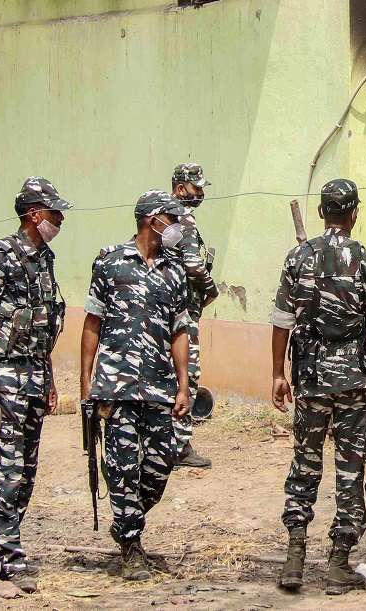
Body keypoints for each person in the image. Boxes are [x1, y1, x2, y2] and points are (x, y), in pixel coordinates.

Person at [270, 179, 366, 595]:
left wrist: (277, 374)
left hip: (311, 381)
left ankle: (295, 557)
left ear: (322, 212)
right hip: (355, 384)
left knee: (305, 463)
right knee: (349, 468)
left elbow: (281, 321)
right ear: (355, 213)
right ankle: (339, 562)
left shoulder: (299, 257)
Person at [80, 191, 192, 581]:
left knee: (160, 465)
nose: (177, 226)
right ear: (152, 219)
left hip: (159, 386)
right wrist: (87, 383)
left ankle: (127, 522)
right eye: (172, 218)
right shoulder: (111, 262)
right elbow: (92, 323)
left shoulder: (174, 271)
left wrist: (184, 385)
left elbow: (180, 330)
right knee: (123, 468)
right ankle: (130, 545)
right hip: (117, 387)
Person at [0, 177, 71, 594]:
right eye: (55, 212)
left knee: (26, 468)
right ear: (34, 214)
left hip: (33, 375)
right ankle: (7, 554)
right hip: (6, 376)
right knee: (6, 467)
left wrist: (48, 379)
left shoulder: (45, 258)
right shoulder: (1, 255)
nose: (60, 219)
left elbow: (44, 325)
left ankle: (0, 545)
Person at [170, 163, 218, 470]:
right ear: (180, 189)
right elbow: (192, 265)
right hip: (184, 310)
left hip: (171, 307)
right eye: (195, 187)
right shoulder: (182, 217)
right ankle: (180, 445)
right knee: (188, 373)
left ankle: (165, 443)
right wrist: (211, 290)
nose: (200, 193)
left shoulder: (164, 215)